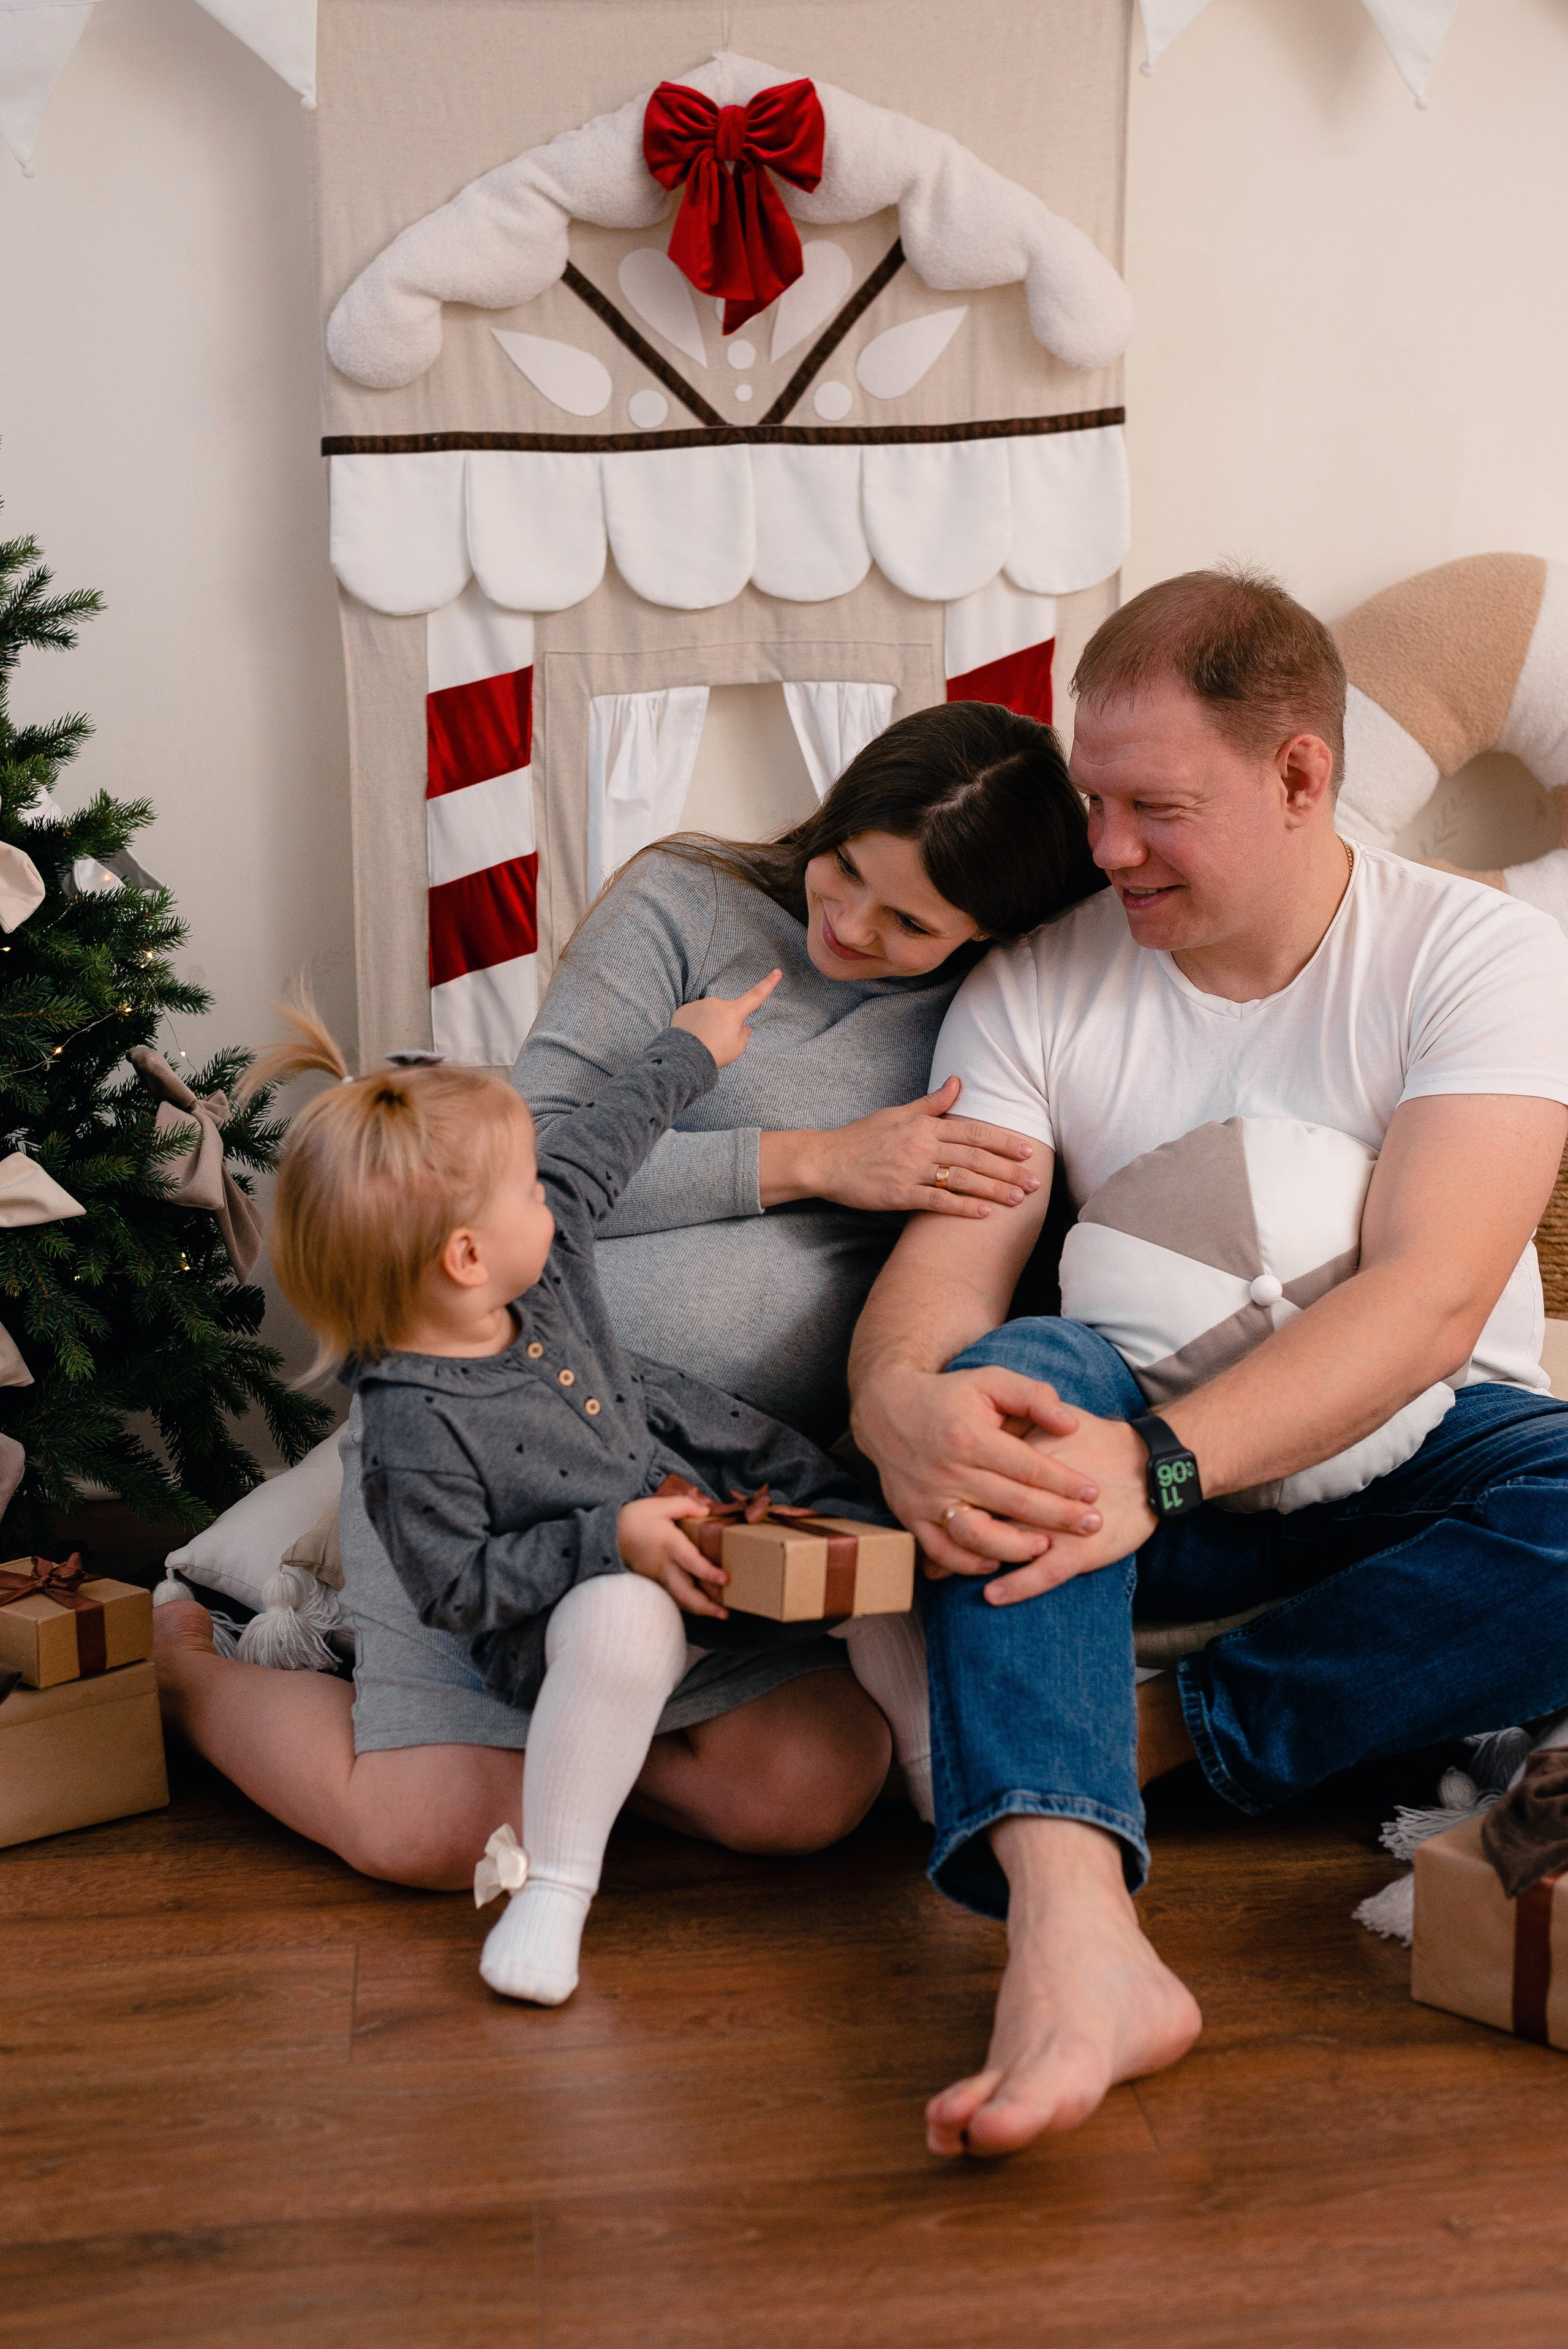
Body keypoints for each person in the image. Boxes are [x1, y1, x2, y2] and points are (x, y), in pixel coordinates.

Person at [848, 568, 1568, 2159]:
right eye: (1093, 798)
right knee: (1012, 1379)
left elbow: (1433, 1302)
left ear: (1301, 773)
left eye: (1153, 807)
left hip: (1424, 1448)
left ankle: (1152, 1735)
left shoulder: (1475, 953)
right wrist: (898, 1397)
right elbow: (946, 1283)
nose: (1104, 849)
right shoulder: (1034, 985)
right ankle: (1071, 1932)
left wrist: (1152, 1467)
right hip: (1131, 1442)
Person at [153, 701, 1101, 1889]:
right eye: (844, 867)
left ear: (986, 929)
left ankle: (555, 1744)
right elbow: (532, 1156)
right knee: (432, 1836)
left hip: (711, 1497)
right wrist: (812, 1162)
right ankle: (197, 1671)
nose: (849, 922)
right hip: (493, 1449)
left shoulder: (1005, 1012)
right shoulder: (686, 907)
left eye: (907, 920)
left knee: (812, 1782)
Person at [241, 985, 927, 2005]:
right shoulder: (409, 1425)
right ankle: (556, 1891)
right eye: (523, 1191)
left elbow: (604, 1139)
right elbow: (463, 1589)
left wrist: (691, 1047)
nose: (548, 1201)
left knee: (861, 1550)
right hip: (549, 1624)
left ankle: (945, 1779)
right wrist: (612, 1541)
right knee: (624, 1622)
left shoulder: (539, 1259)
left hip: (692, 1530)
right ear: (465, 1257)